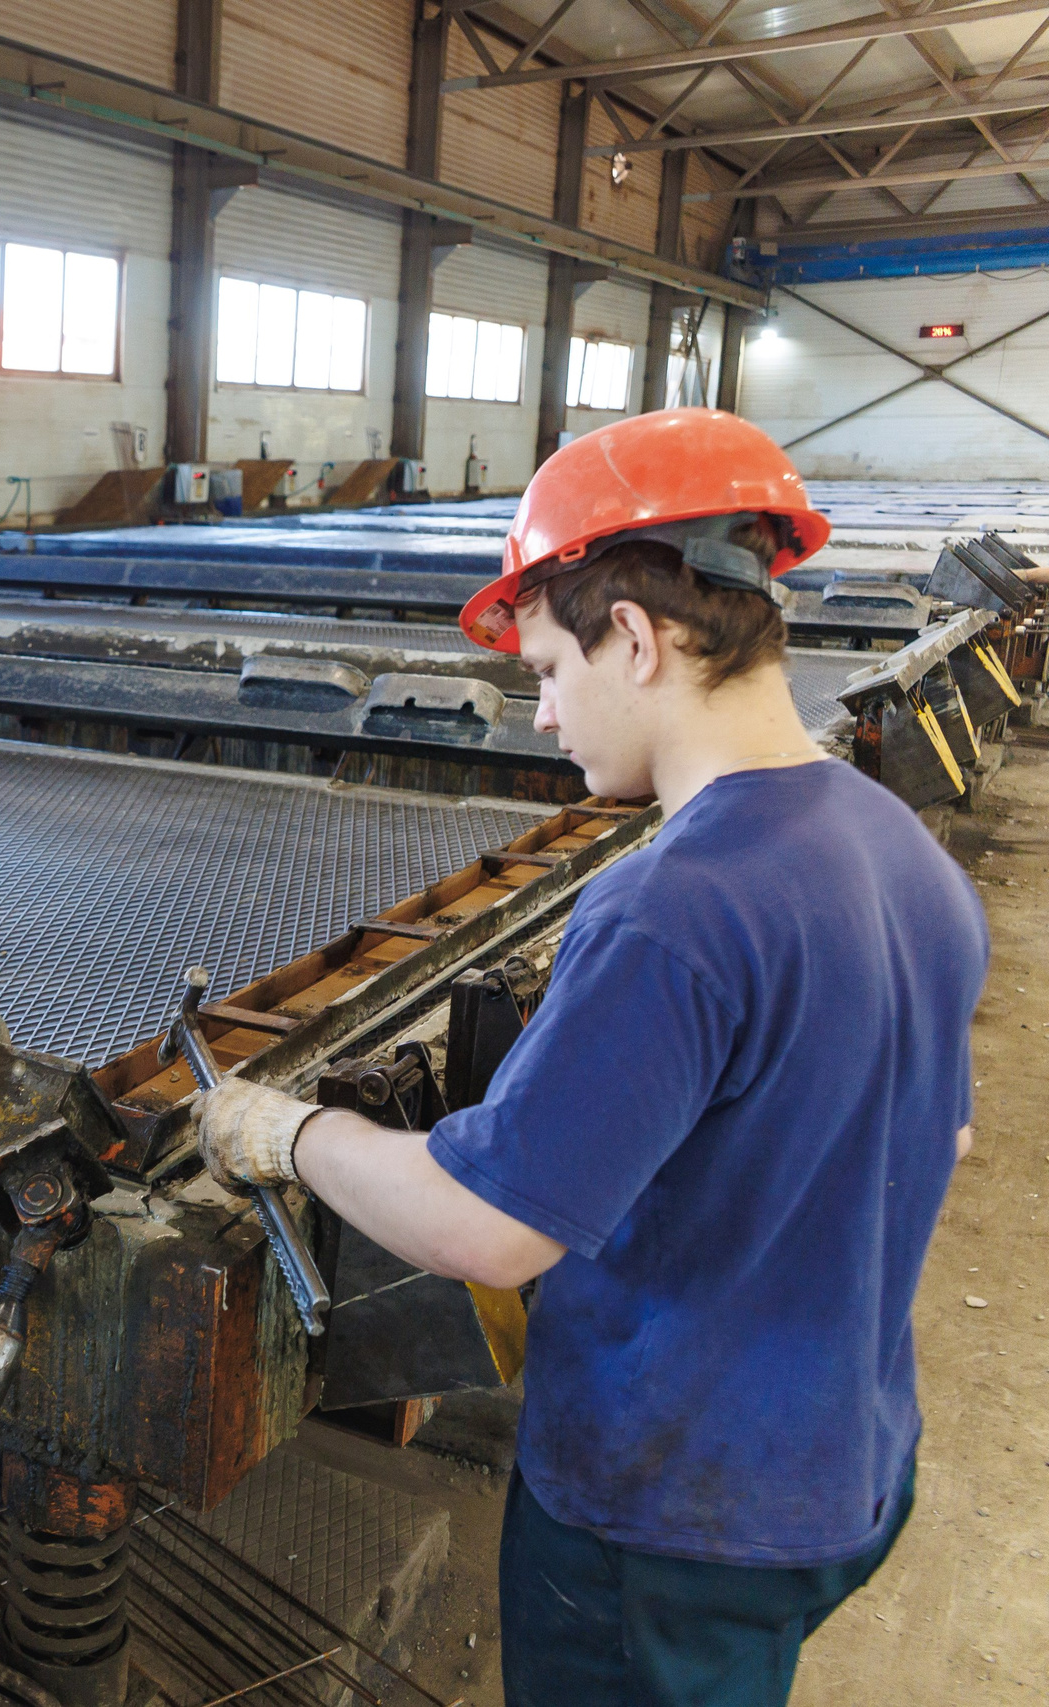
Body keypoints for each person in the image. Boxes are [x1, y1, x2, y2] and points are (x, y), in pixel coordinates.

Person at [190, 408, 987, 1707]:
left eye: (550, 669)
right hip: (843, 1458)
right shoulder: (897, 845)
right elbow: (936, 1136)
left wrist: (288, 1133)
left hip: (670, 1513)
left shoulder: (675, 908)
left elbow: (489, 1228)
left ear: (636, 636)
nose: (546, 713)